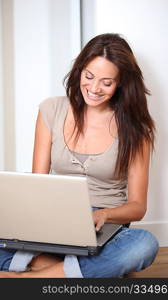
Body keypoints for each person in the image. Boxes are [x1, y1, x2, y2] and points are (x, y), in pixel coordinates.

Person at [0, 33, 159, 278]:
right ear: (79, 70)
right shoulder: (51, 109)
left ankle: (29, 275)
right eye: (89, 76)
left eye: (106, 82)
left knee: (143, 244)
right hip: (54, 216)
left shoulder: (136, 129)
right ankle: (69, 271)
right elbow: (38, 183)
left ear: (121, 84)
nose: (94, 89)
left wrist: (103, 214)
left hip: (104, 224)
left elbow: (137, 207)